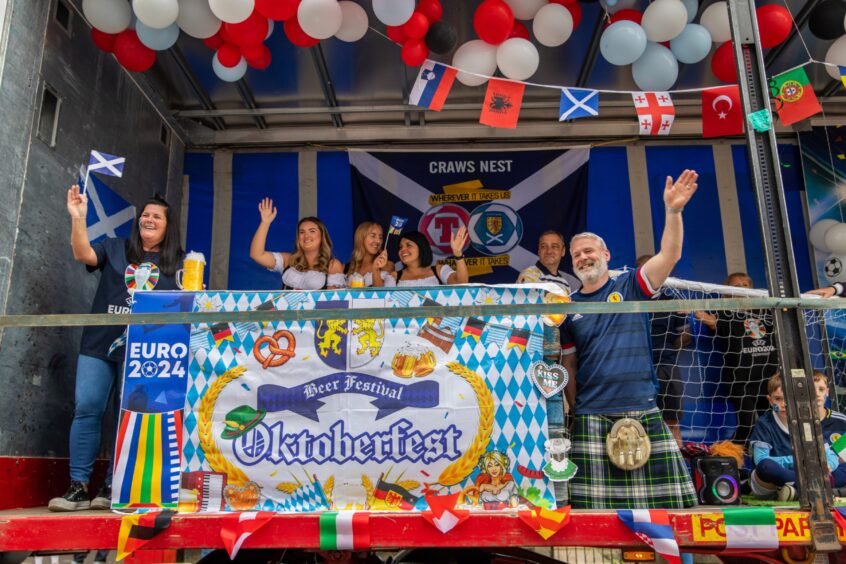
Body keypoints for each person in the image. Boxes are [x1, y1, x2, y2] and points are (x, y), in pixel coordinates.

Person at [559, 169, 699, 509]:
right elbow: (569, 365)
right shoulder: (567, 307)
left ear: (606, 255)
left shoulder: (631, 285)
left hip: (643, 408)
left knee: (672, 517)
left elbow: (669, 257)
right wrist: (578, 410)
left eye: (589, 251)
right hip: (592, 414)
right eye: (576, 255)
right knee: (592, 520)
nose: (583, 258)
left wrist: (674, 212)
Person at [49, 186, 184, 512]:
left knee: (130, 417)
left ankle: (113, 485)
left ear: (168, 226)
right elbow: (84, 255)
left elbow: (188, 307)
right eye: (145, 215)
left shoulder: (181, 262)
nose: (149, 220)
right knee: (87, 408)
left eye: (157, 216)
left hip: (145, 352)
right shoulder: (116, 247)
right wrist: (78, 219)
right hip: (98, 342)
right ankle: (78, 487)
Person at [694, 273, 779, 445]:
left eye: (744, 285)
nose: (740, 289)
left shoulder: (766, 311)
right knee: (746, 424)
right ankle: (730, 456)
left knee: (771, 423)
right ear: (727, 291)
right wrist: (692, 309)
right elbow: (710, 321)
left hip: (768, 380)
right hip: (740, 381)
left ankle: (767, 459)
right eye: (735, 286)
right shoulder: (724, 312)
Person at [749, 372, 843, 501]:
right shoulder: (765, 423)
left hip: (808, 474)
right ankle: (820, 489)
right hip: (775, 481)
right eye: (778, 399)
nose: (783, 404)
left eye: (788, 399)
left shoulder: (807, 420)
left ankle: (798, 490)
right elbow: (760, 460)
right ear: (770, 400)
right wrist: (799, 460)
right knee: (766, 466)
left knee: (841, 466)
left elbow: (830, 454)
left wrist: (828, 465)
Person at [635, 254, 689, 448]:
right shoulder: (628, 299)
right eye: (645, 270)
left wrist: (667, 350)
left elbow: (684, 337)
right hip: (635, 368)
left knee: (672, 421)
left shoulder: (672, 299)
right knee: (636, 424)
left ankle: (681, 471)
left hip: (666, 365)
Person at [249, 198, 345, 290]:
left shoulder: (332, 265)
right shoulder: (289, 260)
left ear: (322, 236)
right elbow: (256, 254)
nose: (306, 236)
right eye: (302, 232)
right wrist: (265, 222)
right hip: (285, 307)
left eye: (312, 231)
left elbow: (332, 302)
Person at [388, 229, 469, 287]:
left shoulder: (439, 270)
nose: (402, 250)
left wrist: (458, 254)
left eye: (409, 245)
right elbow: (386, 306)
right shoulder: (394, 277)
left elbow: (461, 284)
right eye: (400, 247)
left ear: (422, 248)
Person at [517, 230, 581, 293]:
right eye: (544, 246)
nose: (549, 251)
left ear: (563, 251)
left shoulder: (565, 283)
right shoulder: (529, 275)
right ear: (539, 251)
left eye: (554, 246)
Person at [345, 222, 395, 287]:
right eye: (373, 236)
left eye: (380, 237)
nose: (378, 241)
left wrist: (375, 269)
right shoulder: (348, 266)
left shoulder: (387, 265)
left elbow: (381, 294)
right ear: (361, 238)